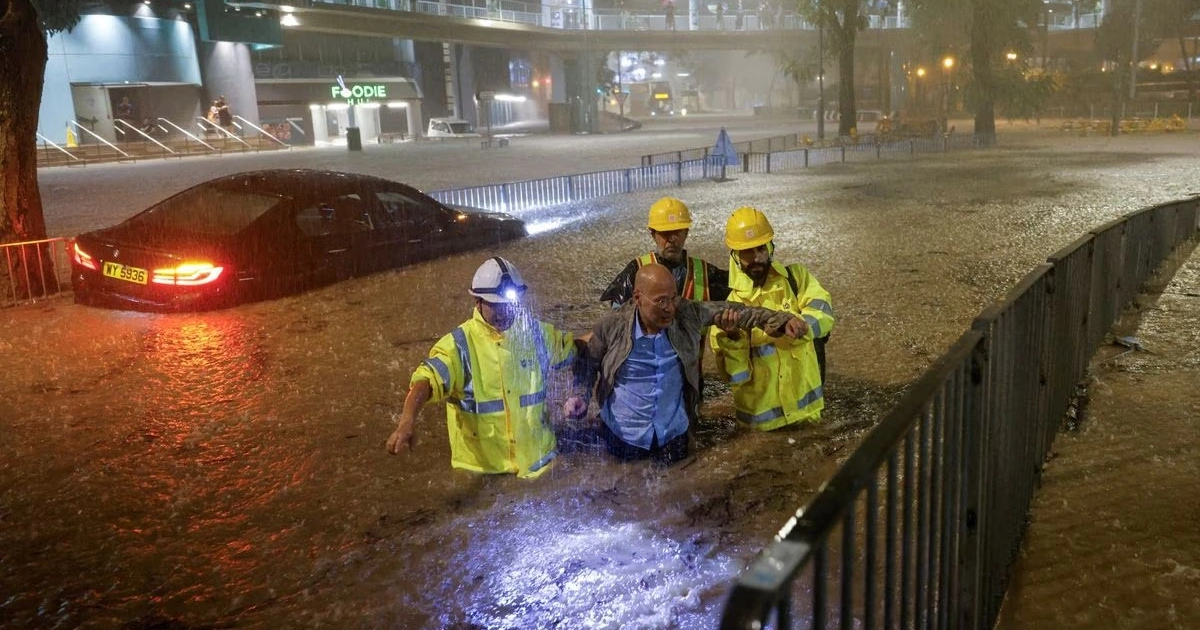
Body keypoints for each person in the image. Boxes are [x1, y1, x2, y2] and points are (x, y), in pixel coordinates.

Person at [571, 263, 804, 463]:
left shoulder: (687, 314)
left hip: (673, 437)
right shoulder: (612, 326)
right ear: (638, 298)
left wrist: (781, 321)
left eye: (673, 298)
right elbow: (588, 364)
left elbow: (740, 312)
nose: (670, 308)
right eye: (661, 301)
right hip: (623, 437)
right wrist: (579, 395)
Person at [386, 257, 584, 478]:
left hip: (541, 466)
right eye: (495, 305)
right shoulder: (459, 346)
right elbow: (425, 381)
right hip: (485, 475)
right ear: (477, 302)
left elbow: (577, 349)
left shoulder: (537, 334)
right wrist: (407, 422)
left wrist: (613, 329)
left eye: (509, 304)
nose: (504, 312)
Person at [709, 207, 834, 430]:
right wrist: (732, 336)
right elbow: (735, 377)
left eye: (760, 248)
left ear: (771, 247)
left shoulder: (797, 278)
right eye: (747, 252)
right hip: (762, 429)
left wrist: (802, 325)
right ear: (735, 256)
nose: (756, 257)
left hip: (807, 415)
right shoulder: (729, 308)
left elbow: (824, 313)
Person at [600, 196, 730, 308]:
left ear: (686, 233)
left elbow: (739, 289)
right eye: (665, 233)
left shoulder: (705, 273)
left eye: (677, 232)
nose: (672, 239)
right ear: (653, 234)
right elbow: (617, 317)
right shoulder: (636, 270)